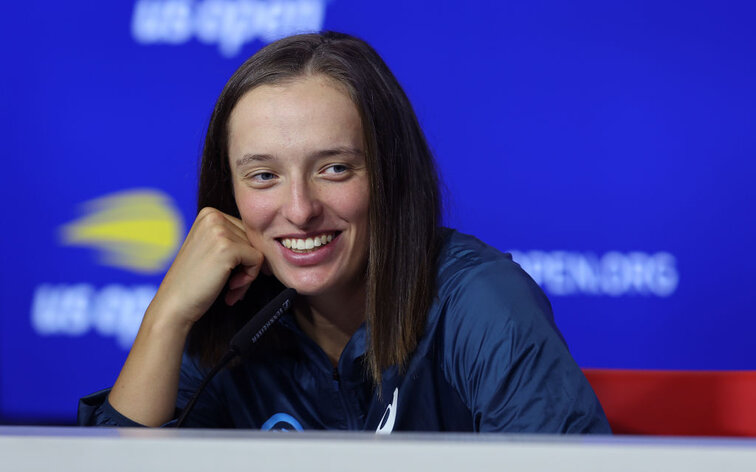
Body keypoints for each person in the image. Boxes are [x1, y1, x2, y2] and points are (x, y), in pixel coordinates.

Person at [78, 31, 610, 433]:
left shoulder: (481, 302)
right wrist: (167, 316)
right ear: (229, 194)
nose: (300, 209)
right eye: (263, 176)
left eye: (335, 169)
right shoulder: (230, 317)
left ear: (390, 175)